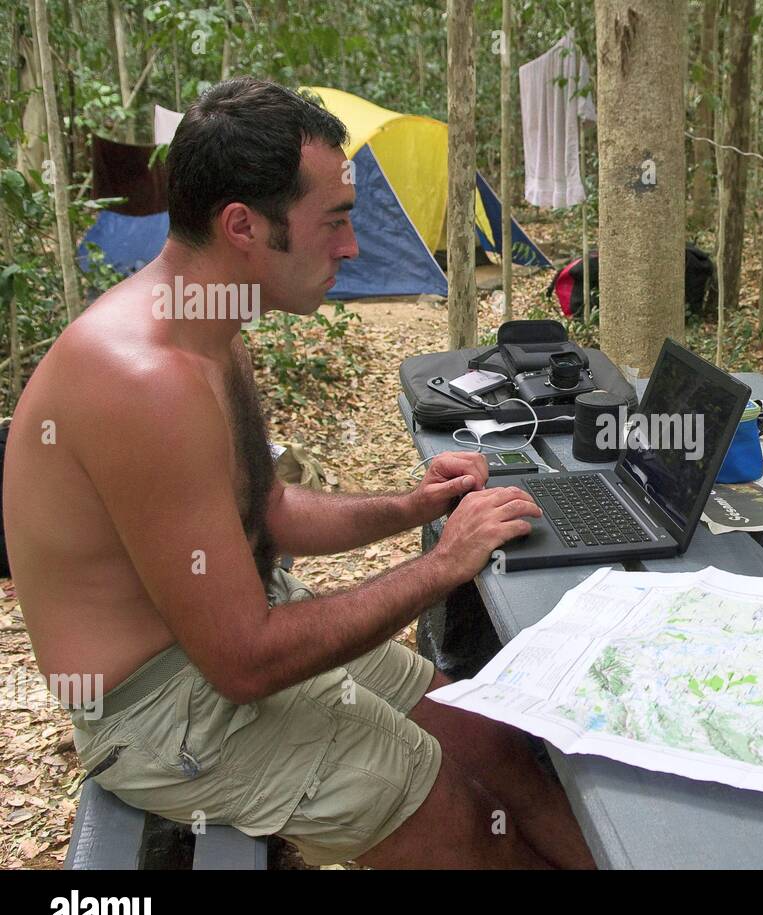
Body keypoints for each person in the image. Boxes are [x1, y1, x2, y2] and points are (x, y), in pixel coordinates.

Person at [3, 78, 593, 868]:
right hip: (160, 706)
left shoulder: (214, 331)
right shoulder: (147, 381)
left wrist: (417, 503)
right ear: (243, 225)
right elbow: (246, 660)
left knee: (489, 736)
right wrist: (443, 566)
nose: (351, 247)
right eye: (336, 222)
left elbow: (269, 512)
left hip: (228, 640)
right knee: (448, 807)